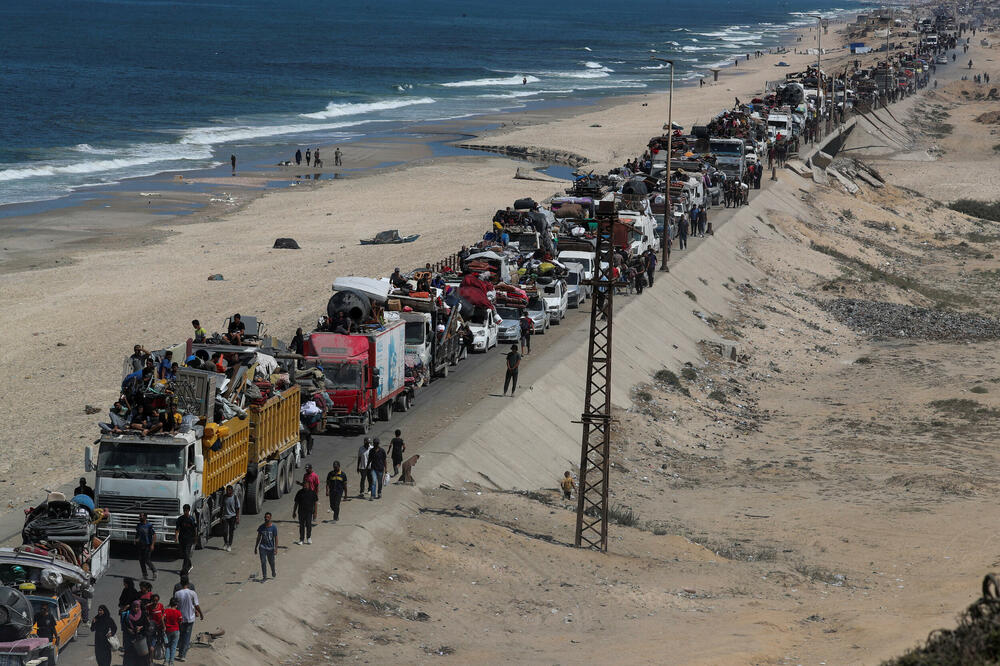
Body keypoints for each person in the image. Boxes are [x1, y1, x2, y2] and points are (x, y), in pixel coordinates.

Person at [174, 580, 202, 662]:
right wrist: (201, 613)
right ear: (188, 583)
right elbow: (196, 605)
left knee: (182, 635)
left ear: (181, 583)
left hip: (180, 618)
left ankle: (180, 653)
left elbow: (175, 605)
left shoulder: (177, 593)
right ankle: (183, 655)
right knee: (187, 636)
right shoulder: (193, 593)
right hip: (190, 618)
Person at [122, 599, 150, 665]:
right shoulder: (128, 614)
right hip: (130, 640)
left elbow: (147, 625)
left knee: (142, 658)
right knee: (130, 658)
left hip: (141, 640)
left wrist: (141, 627)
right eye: (134, 607)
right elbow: (124, 626)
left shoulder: (143, 614)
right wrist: (128, 630)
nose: (136, 608)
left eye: (137, 607)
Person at [174, 504, 198, 576]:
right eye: (184, 510)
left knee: (187, 553)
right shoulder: (180, 519)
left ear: (189, 510)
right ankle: (190, 565)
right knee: (184, 554)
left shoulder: (191, 519)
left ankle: (184, 569)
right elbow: (177, 529)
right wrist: (176, 537)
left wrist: (196, 538)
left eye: (186, 511)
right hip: (182, 539)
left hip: (189, 539)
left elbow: (195, 529)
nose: (185, 512)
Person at [254, 512, 278, 581]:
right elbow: (258, 538)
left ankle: (273, 571)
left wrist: (276, 548)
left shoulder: (273, 527)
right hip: (262, 547)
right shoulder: (261, 527)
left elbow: (276, 538)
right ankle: (264, 576)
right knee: (263, 562)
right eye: (265, 517)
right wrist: (255, 547)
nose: (266, 518)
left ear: (270, 518)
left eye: (268, 517)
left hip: (270, 548)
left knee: (271, 562)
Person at [135, 512, 157, 580]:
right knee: (141, 560)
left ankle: (154, 571)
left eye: (141, 516)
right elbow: (137, 534)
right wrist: (136, 539)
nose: (140, 517)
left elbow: (154, 535)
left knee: (147, 560)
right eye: (139, 516)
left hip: (148, 545)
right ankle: (145, 574)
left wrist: (152, 545)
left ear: (145, 517)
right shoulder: (138, 525)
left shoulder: (149, 525)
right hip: (140, 545)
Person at [162, 597, 182, 666]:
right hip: (176, 630)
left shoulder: (166, 610)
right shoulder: (178, 612)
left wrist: (164, 626)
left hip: (168, 630)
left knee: (167, 646)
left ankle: (166, 661)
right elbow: (180, 621)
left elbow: (162, 618)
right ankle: (171, 662)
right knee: (173, 647)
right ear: (176, 604)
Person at [222, 485, 240, 552]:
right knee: (225, 531)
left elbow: (238, 508)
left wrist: (237, 518)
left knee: (231, 532)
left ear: (232, 490)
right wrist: (221, 516)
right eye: (227, 490)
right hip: (225, 517)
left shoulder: (235, 497)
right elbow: (222, 507)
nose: (228, 491)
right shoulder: (224, 497)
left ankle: (229, 545)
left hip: (233, 517)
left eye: (229, 490)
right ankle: (225, 542)